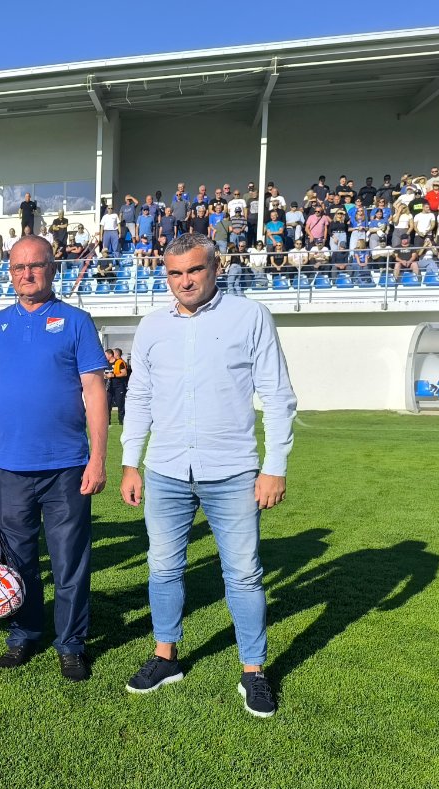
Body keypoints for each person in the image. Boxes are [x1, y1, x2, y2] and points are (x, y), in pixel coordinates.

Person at [119, 232, 297, 718]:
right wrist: (131, 461)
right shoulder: (152, 326)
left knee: (243, 574)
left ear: (216, 267)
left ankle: (253, 670)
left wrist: (275, 467)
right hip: (166, 470)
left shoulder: (250, 316)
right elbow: (139, 396)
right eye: (175, 273)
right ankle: (166, 657)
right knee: (163, 568)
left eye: (194, 270)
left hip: (233, 471)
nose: (185, 281)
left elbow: (277, 395)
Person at [0, 234, 108, 682]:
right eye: (18, 267)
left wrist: (98, 458)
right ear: (9, 273)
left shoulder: (76, 322)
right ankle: (23, 634)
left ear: (52, 268)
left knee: (69, 562)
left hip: (66, 465)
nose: (26, 274)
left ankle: (71, 644)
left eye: (35, 265)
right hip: (9, 467)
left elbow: (95, 391)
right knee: (17, 561)